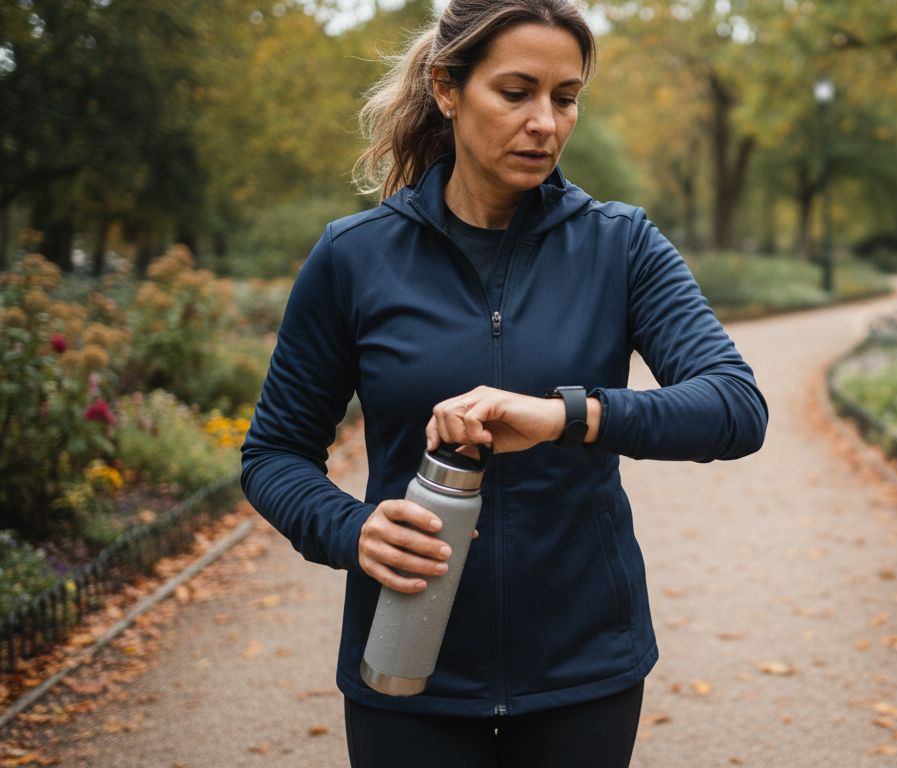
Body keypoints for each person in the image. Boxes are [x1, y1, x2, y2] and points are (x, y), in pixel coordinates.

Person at [238, 1, 768, 766]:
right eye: (516, 93)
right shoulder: (354, 258)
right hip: (406, 666)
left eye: (566, 97)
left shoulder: (622, 246)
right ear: (447, 89)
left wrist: (566, 416)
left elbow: (735, 407)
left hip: (583, 668)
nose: (545, 123)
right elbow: (274, 454)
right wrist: (350, 532)